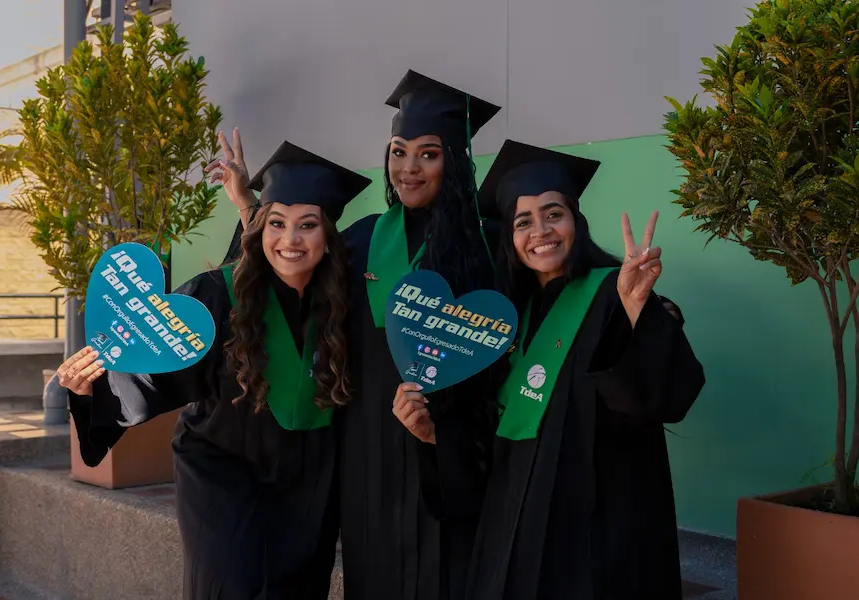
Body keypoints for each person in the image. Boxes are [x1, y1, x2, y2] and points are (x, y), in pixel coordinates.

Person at [215, 70, 502, 600]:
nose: (408, 168)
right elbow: (292, 264)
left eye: (428, 154)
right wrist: (250, 209)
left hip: (447, 446)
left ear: (455, 160)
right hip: (364, 445)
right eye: (398, 151)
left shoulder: (490, 245)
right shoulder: (366, 239)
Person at [57, 141, 372, 600]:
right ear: (261, 230)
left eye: (308, 226)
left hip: (307, 475)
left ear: (328, 238)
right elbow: (153, 366)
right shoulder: (219, 293)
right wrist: (88, 391)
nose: (290, 240)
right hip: (222, 467)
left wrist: (247, 200)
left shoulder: (344, 303)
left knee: (298, 585)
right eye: (277, 224)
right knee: (227, 586)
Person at [393, 139, 706, 600]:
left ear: (575, 222)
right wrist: (435, 436)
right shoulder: (502, 319)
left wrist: (638, 311)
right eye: (524, 221)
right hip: (512, 526)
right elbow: (495, 432)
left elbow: (658, 401)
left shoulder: (616, 293)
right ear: (510, 238)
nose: (541, 230)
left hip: (600, 529)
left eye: (553, 214)